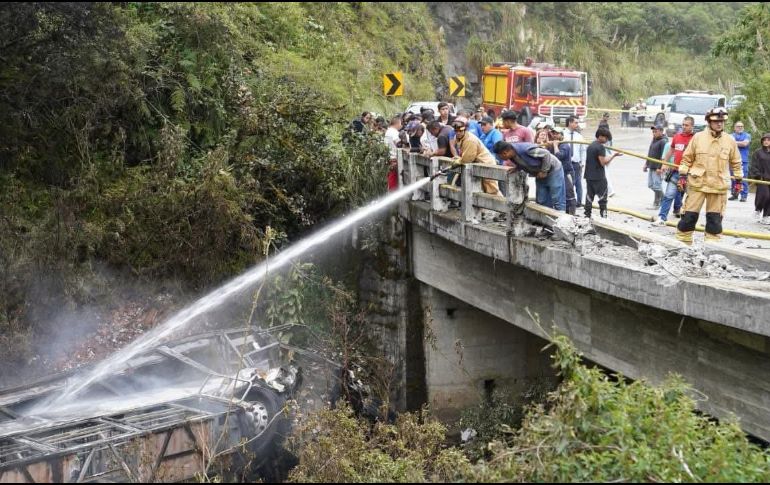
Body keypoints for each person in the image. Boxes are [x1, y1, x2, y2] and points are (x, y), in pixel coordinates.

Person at [675, 107, 742, 244]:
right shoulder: (698, 138)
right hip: (697, 184)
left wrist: (739, 181)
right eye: (716, 121)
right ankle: (682, 244)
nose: (719, 124)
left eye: (722, 121)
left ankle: (711, 249)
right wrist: (682, 176)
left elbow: (736, 162)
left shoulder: (730, 140)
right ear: (708, 122)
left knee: (714, 221)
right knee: (688, 218)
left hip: (718, 187)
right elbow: (687, 159)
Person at [493, 140, 565, 211]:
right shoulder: (513, 154)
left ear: (505, 153)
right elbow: (524, 161)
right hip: (539, 172)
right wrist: (517, 168)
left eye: (500, 156)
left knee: (557, 197)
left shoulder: (526, 150)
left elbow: (546, 154)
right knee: (542, 199)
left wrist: (544, 171)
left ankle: (562, 220)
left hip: (553, 169)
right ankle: (546, 219)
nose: (500, 158)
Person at [655, 116, 695, 224]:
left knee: (691, 198)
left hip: (690, 174)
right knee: (669, 195)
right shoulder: (677, 137)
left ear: (692, 126)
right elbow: (671, 150)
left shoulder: (696, 139)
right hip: (676, 172)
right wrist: (664, 164)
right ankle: (662, 218)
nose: (684, 127)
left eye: (686, 125)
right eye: (683, 124)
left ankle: (687, 222)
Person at [449, 117, 502, 197]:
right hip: (478, 163)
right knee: (481, 189)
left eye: (460, 131)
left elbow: (468, 159)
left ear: (465, 129)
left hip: (486, 163)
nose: (458, 133)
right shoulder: (458, 137)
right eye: (456, 131)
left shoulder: (470, 140)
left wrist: (459, 161)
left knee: (492, 189)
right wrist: (460, 158)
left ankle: (501, 207)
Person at [583, 127, 622, 218]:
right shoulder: (600, 147)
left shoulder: (590, 146)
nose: (607, 140)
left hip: (589, 176)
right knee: (603, 198)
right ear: (600, 136)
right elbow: (603, 162)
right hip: (599, 177)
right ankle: (603, 216)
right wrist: (614, 155)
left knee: (589, 196)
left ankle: (587, 215)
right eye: (606, 138)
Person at [644, 123, 668, 209]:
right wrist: (646, 164)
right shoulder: (654, 139)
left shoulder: (663, 141)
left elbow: (664, 156)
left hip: (657, 168)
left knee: (657, 186)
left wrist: (660, 167)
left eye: (656, 131)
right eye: (653, 131)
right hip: (651, 166)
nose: (654, 133)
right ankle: (662, 199)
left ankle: (658, 203)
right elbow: (650, 152)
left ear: (661, 132)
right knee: (651, 185)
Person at [564, 116, 586, 207]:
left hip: (576, 164)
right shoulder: (563, 134)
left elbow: (583, 150)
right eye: (576, 122)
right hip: (566, 163)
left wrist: (582, 162)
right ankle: (569, 202)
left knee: (578, 184)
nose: (577, 125)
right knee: (568, 184)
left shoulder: (579, 136)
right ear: (570, 122)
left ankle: (579, 202)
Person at [750, 133, 770, 224]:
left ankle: (766, 216)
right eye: (764, 140)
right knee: (765, 196)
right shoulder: (758, 152)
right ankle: (757, 209)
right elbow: (753, 165)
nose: (766, 142)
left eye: (768, 140)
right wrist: (758, 175)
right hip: (762, 178)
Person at [729, 121, 752, 202]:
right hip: (732, 160)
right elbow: (729, 144)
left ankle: (744, 195)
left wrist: (733, 142)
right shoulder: (731, 135)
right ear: (735, 128)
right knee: (733, 178)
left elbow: (745, 144)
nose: (740, 128)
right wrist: (739, 143)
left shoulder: (747, 135)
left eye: (741, 126)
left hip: (743, 160)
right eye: (738, 126)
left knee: (743, 178)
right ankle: (734, 194)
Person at [384, 115, 402, 191]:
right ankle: (393, 194)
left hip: (389, 156)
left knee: (391, 177)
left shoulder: (388, 131)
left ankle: (391, 192)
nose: (401, 126)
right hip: (394, 157)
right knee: (393, 177)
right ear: (397, 123)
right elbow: (398, 143)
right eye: (401, 123)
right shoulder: (394, 132)